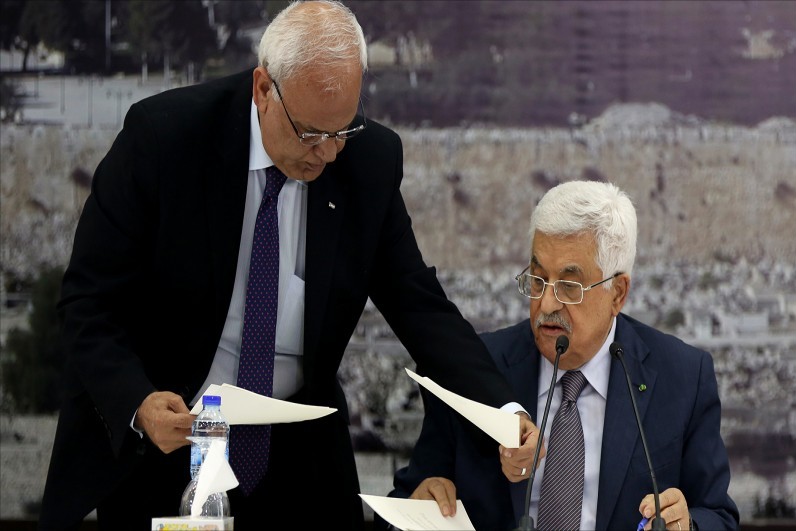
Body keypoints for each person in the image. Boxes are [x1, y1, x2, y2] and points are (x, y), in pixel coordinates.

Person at [38, 2, 535, 530]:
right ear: (263, 89)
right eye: (311, 134)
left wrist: (504, 412)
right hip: (172, 441)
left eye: (343, 131)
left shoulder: (368, 160)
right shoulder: (165, 139)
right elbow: (88, 301)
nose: (328, 154)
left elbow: (420, 305)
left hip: (299, 454)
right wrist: (138, 403)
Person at [380, 181, 739, 531]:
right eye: (538, 280)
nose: (547, 304)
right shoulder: (473, 369)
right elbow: (403, 502)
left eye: (569, 286)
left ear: (617, 293)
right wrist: (415, 512)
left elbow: (718, 515)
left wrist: (686, 525)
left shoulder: (682, 377)